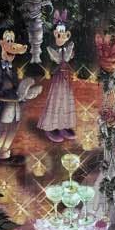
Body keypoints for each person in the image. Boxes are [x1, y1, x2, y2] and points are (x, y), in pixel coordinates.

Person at [0, 28, 41, 163]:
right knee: (1, 130)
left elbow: (16, 89)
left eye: (12, 41)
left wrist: (24, 94)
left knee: (12, 129)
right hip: (5, 107)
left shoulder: (13, 69)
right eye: (8, 41)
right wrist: (14, 97)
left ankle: (4, 151)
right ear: (2, 44)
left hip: (15, 108)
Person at [38, 9, 77, 142]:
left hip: (66, 80)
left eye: (64, 32)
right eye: (59, 32)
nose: (61, 34)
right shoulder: (52, 49)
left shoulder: (68, 48)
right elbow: (54, 63)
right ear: (55, 33)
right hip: (58, 79)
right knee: (56, 100)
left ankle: (63, 125)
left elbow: (69, 60)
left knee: (65, 100)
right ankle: (50, 126)